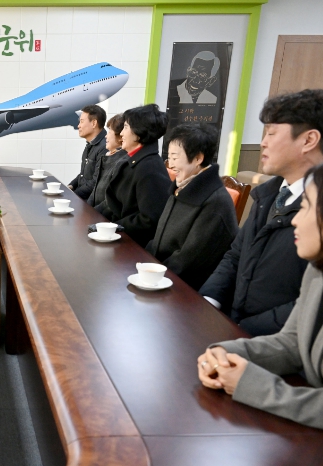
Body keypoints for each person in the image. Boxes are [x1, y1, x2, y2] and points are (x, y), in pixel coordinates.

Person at [197, 164, 323, 429]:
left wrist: (257, 387)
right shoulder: (316, 271)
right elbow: (293, 342)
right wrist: (225, 351)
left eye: (306, 208)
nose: (295, 220)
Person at [200, 90, 323, 336]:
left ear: (308, 140)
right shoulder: (269, 194)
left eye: (272, 133)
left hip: (277, 342)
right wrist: (208, 301)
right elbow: (235, 255)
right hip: (236, 327)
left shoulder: (317, 209)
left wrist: (242, 331)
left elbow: (311, 304)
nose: (263, 143)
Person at [145, 124, 238, 290]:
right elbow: (159, 239)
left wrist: (151, 276)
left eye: (175, 158)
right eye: (169, 157)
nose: (170, 164)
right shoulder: (182, 186)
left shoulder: (216, 202)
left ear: (198, 159)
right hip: (161, 274)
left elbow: (188, 262)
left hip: (185, 288)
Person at [94, 104, 171, 247]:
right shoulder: (134, 160)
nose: (121, 134)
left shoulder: (150, 168)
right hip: (117, 235)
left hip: (131, 244)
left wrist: (114, 227)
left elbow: (149, 220)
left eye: (126, 127)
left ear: (139, 132)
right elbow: (114, 202)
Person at [69, 104, 107, 200]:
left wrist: (72, 195)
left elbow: (96, 181)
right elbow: (83, 175)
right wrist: (70, 186)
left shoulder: (104, 147)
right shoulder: (91, 144)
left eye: (82, 121)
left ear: (94, 123)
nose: (78, 126)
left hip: (90, 203)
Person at [88, 113, 127, 208]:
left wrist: (92, 212)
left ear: (120, 136)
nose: (106, 136)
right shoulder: (108, 156)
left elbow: (111, 201)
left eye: (110, 131)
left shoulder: (122, 162)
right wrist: (87, 208)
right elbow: (95, 191)